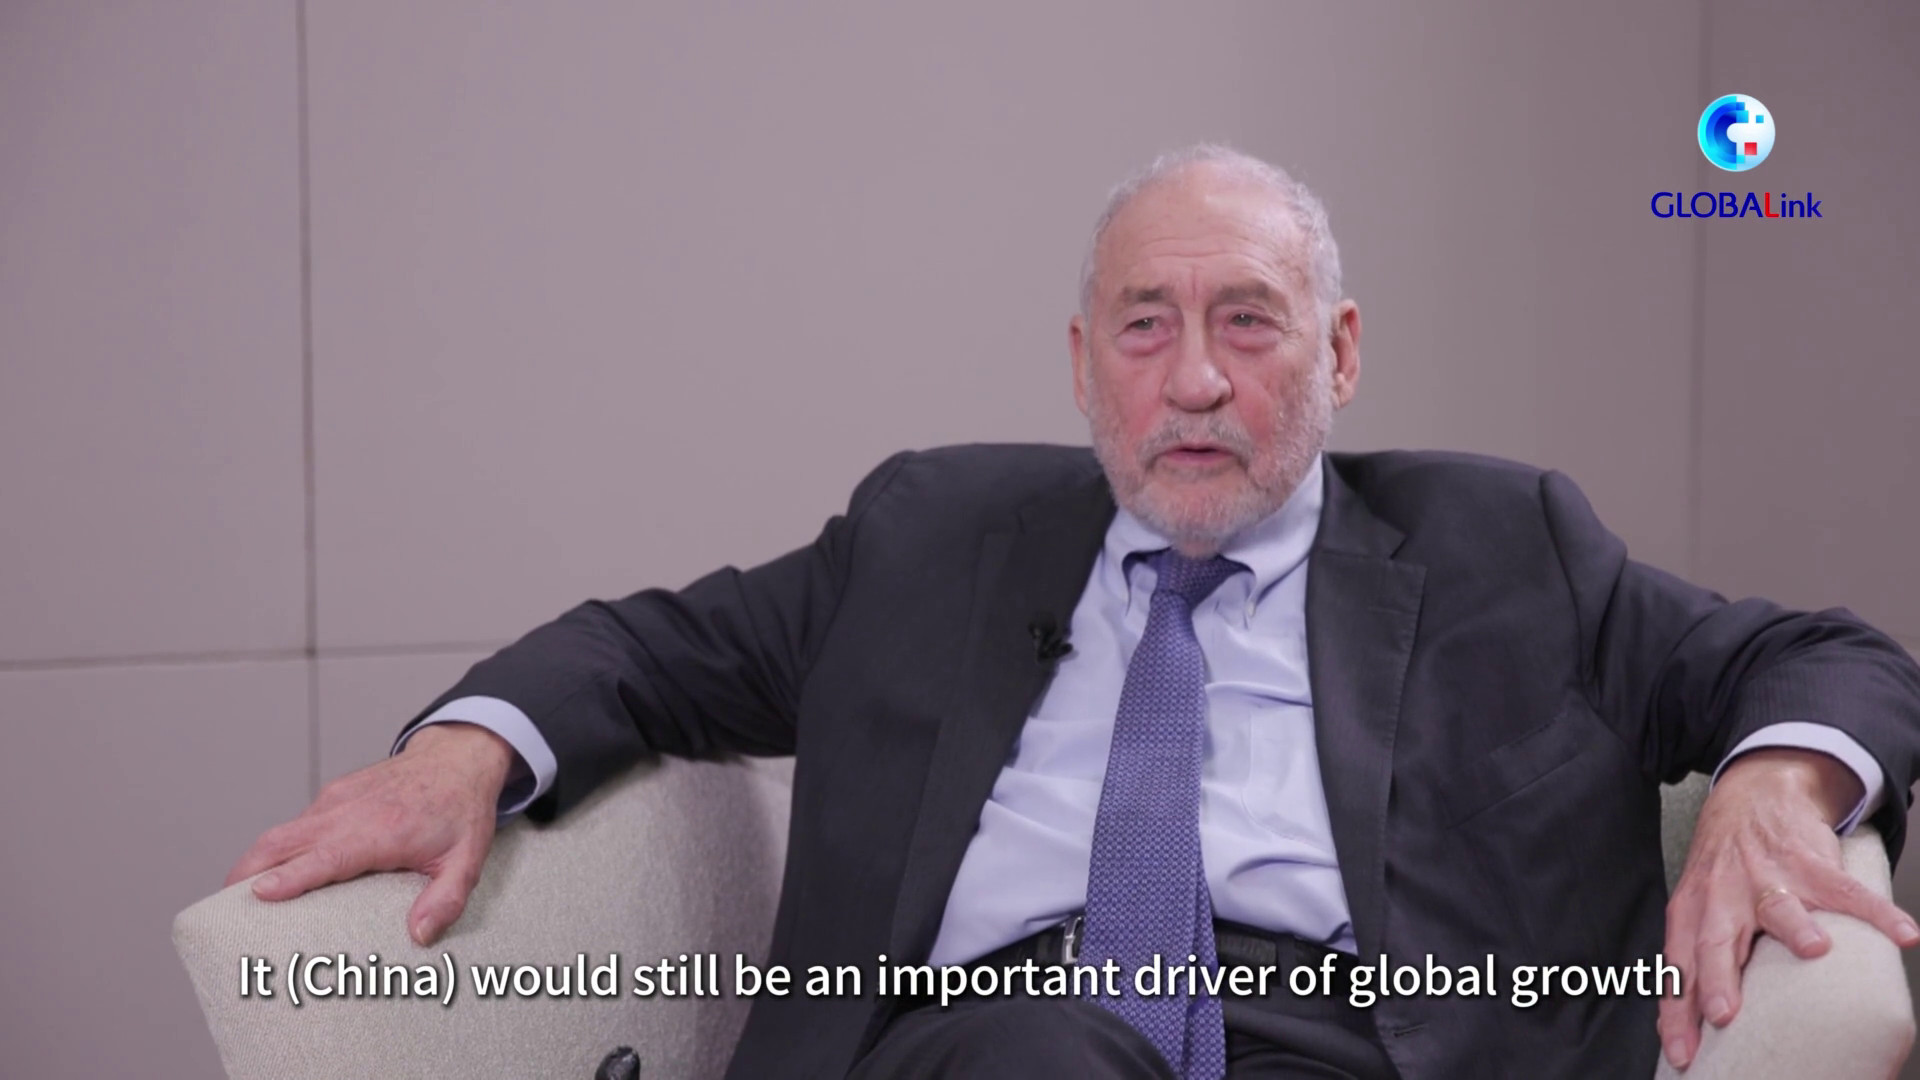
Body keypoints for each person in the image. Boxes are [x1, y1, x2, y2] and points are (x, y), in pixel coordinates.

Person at [227, 145, 1920, 1079]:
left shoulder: (1505, 544)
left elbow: (1834, 660)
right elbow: (648, 653)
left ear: (1338, 354)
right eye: (1144, 326)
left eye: (1249, 322)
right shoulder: (931, 534)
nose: (1194, 380)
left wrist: (1773, 783)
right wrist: (459, 753)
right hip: (983, 1050)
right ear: (1081, 362)